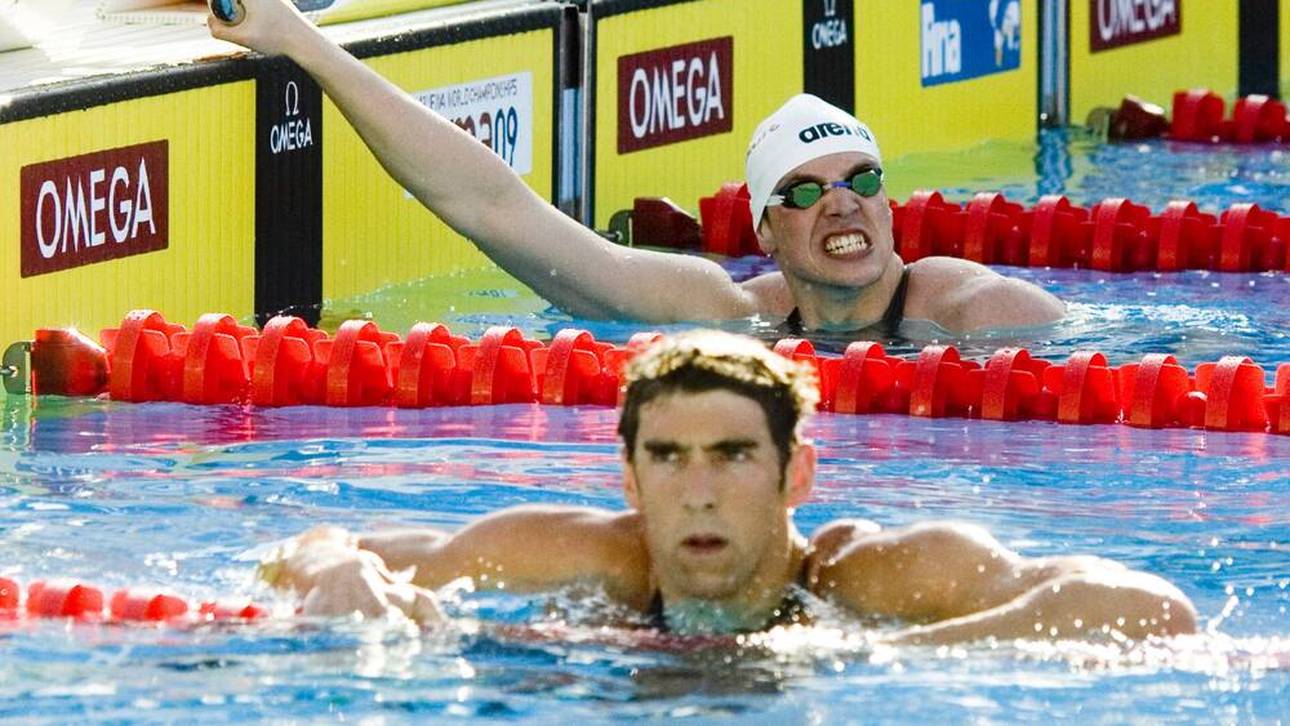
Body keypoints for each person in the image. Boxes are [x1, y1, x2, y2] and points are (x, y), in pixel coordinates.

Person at [261, 330, 1196, 643]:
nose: (697, 492)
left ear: (798, 473)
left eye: (733, 456)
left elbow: (1151, 610)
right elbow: (297, 551)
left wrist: (889, 661)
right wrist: (337, 572)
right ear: (628, 476)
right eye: (668, 458)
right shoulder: (594, 554)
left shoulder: (869, 578)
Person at [207, 1, 1065, 335]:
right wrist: (299, 41)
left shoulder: (984, 313)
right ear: (765, 230)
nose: (842, 205)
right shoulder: (729, 314)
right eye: (806, 193)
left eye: (861, 180)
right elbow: (497, 209)